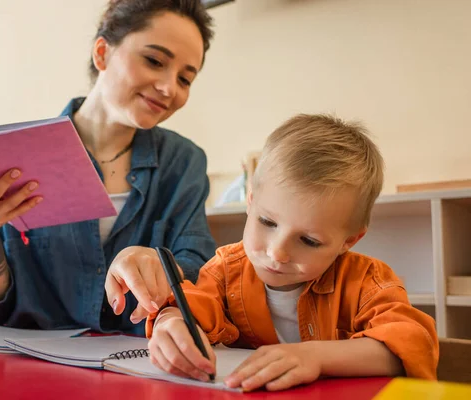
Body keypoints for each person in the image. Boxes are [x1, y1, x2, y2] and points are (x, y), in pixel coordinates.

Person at [0, 0, 217, 335]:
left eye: (185, 79)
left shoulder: (184, 163)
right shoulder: (18, 154)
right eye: (154, 61)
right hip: (33, 365)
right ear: (102, 54)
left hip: (136, 365)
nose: (169, 88)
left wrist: (158, 267)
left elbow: (199, 270)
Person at [146, 114, 439, 390]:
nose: (278, 252)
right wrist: (171, 322)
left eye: (309, 241)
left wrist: (315, 356)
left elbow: (411, 344)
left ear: (348, 241)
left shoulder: (366, 281)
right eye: (267, 222)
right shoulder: (224, 270)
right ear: (250, 202)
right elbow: (193, 306)